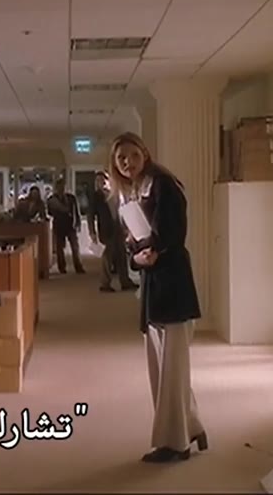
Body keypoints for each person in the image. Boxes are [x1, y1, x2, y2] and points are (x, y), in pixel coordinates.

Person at [107, 132, 207, 463]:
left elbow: (171, 233)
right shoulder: (134, 188)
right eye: (121, 158)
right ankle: (192, 426)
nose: (128, 162)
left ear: (145, 153)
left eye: (133, 155)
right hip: (154, 279)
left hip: (172, 279)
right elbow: (132, 236)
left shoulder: (163, 183)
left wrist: (148, 252)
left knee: (171, 369)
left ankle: (175, 444)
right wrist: (136, 254)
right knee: (162, 365)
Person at [88, 171, 137, 293]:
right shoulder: (96, 196)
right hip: (106, 229)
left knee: (121, 255)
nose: (100, 183)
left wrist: (127, 226)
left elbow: (122, 209)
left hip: (118, 227)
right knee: (107, 257)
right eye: (97, 181)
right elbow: (90, 215)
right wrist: (92, 232)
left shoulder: (114, 193)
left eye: (102, 180)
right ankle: (105, 283)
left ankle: (125, 281)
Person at [47, 178, 85, 274]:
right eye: (59, 187)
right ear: (56, 188)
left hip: (70, 225)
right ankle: (62, 267)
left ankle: (78, 266)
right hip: (59, 225)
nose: (61, 188)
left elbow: (76, 211)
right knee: (60, 248)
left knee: (75, 247)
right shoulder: (52, 199)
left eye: (63, 186)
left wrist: (78, 222)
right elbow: (49, 213)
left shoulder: (71, 198)